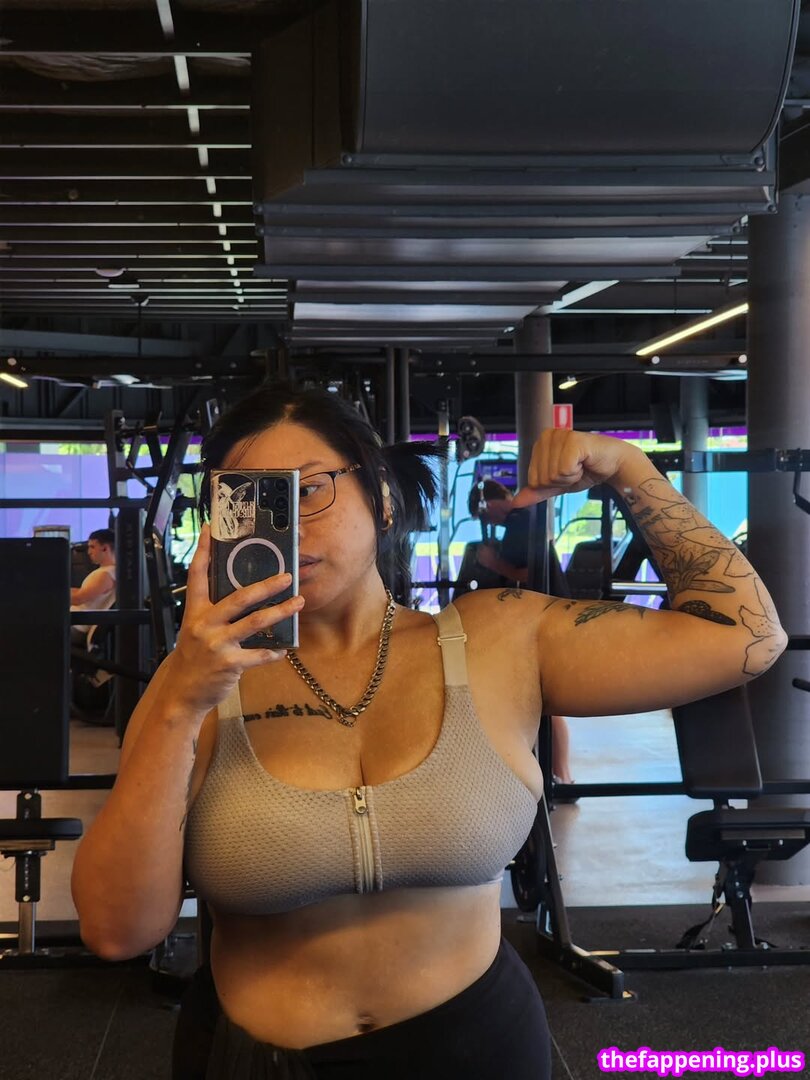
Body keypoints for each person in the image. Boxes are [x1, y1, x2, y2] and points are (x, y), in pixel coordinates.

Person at [71, 383, 787, 1080]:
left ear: (381, 497)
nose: (289, 525)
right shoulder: (195, 684)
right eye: (252, 500)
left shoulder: (499, 638)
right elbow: (117, 930)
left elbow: (745, 637)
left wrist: (629, 469)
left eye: (309, 489)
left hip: (478, 1048)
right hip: (257, 1060)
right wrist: (182, 703)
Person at [469, 480, 577, 788]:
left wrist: (493, 562)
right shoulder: (522, 519)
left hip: (548, 616)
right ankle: (558, 775)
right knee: (541, 702)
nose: (489, 522)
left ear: (490, 503)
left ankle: (562, 776)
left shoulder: (519, 520)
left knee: (546, 702)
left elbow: (529, 572)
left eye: (485, 515)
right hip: (550, 612)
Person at [70, 528, 117, 647]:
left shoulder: (105, 575)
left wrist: (52, 596)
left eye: (92, 547)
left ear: (105, 548)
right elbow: (83, 592)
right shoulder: (105, 571)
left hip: (76, 627)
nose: (89, 552)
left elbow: (78, 599)